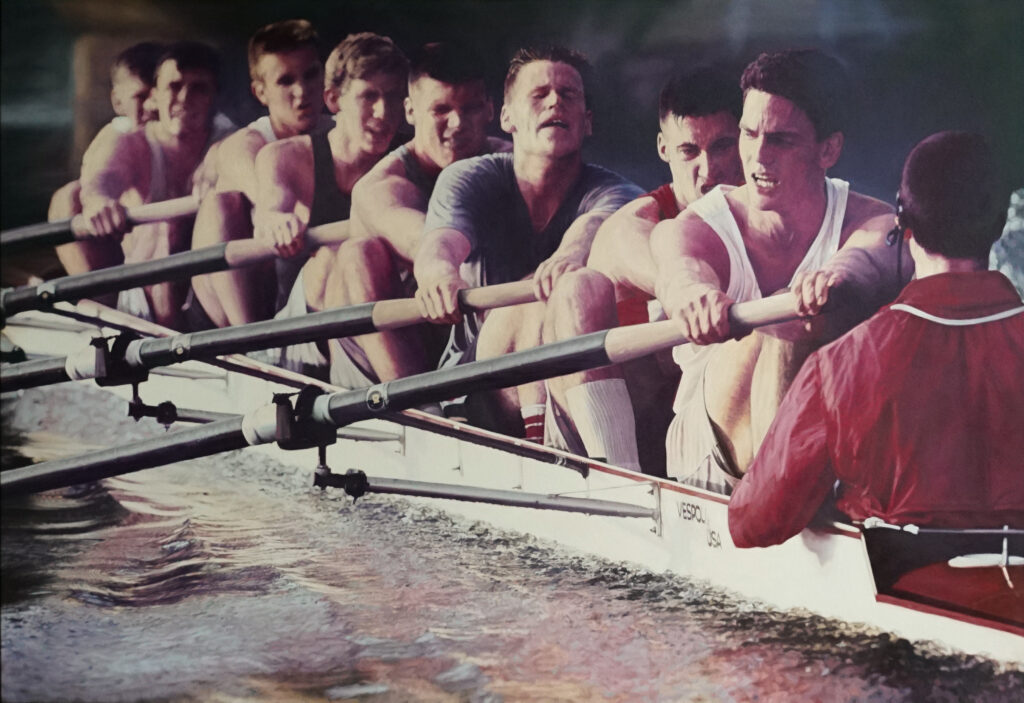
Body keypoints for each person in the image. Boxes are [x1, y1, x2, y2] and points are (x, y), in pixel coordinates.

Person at [728, 131, 1024, 553]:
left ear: (902, 220)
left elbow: (753, 523)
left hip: (897, 579)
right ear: (999, 223)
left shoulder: (839, 366)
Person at [650, 48, 903, 492]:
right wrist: (693, 296)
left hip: (820, 442)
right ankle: (779, 506)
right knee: (785, 321)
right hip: (710, 454)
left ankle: (793, 500)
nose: (757, 158)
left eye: (780, 140)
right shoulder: (698, 227)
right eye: (749, 135)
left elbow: (868, 257)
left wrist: (835, 276)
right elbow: (680, 271)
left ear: (829, 149)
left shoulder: (871, 220)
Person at [414, 46, 643, 441]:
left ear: (587, 122)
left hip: (567, 379)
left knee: (556, 290)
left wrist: (571, 254)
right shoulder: (468, 178)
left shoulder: (619, 192)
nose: (555, 102)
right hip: (472, 384)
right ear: (507, 117)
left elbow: (594, 225)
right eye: (539, 95)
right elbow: (441, 246)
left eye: (568, 95)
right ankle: (547, 443)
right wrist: (437, 276)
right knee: (536, 295)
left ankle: (570, 443)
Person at [543, 67, 745, 475]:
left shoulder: (771, 213)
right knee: (579, 289)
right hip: (619, 426)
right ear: (663, 149)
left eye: (723, 146)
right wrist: (689, 293)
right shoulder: (636, 223)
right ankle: (617, 483)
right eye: (689, 151)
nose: (709, 170)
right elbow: (671, 271)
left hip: (708, 423)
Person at [307, 42, 510, 388]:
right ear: (411, 111)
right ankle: (420, 407)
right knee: (359, 254)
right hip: (379, 365)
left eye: (471, 108)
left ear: (490, 109)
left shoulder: (512, 161)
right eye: (441, 109)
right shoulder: (380, 187)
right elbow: (431, 245)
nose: (457, 123)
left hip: (468, 333)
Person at [255, 32, 407, 377]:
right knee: (337, 257)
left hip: (376, 322)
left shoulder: (412, 154)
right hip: (299, 339)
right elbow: (271, 207)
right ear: (334, 99)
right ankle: (405, 396)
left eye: (394, 96)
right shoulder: (287, 157)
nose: (384, 112)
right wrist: (276, 220)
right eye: (369, 96)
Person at [187, 19, 332, 329]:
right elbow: (266, 193)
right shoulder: (246, 144)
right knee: (220, 205)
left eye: (310, 75)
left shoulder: (342, 132)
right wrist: (274, 214)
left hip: (308, 289)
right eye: (285, 81)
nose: (302, 91)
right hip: (232, 312)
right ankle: (250, 342)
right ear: (260, 92)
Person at [78, 41, 233, 328]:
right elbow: (103, 177)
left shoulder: (230, 140)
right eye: (174, 87)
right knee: (165, 228)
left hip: (211, 296)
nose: (184, 98)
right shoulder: (131, 140)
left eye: (199, 89)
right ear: (155, 95)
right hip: (145, 303)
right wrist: (99, 200)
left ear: (215, 97)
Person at [49, 41, 164, 279]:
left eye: (159, 94)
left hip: (178, 243)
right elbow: (100, 178)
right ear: (117, 102)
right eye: (141, 96)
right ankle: (95, 292)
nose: (152, 106)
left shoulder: (204, 127)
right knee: (67, 198)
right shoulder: (119, 133)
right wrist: (98, 200)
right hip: (131, 245)